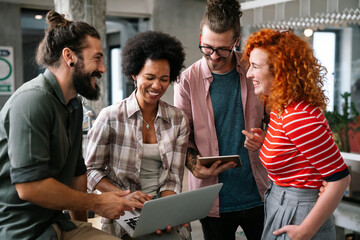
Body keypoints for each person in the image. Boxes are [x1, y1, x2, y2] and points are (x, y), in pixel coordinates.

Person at [0, 10, 143, 240]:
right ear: (69, 56)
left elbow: (78, 176)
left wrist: (81, 228)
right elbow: (30, 187)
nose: (103, 68)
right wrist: (97, 203)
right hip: (22, 233)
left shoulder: (74, 106)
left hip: (58, 225)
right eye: (97, 57)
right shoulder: (32, 101)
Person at [243, 29, 351, 240]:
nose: (249, 74)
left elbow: (340, 180)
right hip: (281, 202)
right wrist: (267, 143)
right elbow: (299, 155)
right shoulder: (280, 107)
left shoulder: (298, 116)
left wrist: (305, 231)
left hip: (299, 214)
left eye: (255, 67)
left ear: (279, 70)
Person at [174, 0, 268, 239]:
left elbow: (276, 120)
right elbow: (182, 139)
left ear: (236, 41)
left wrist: (265, 138)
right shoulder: (186, 80)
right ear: (200, 38)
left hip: (259, 193)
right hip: (212, 199)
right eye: (206, 47)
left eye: (222, 49)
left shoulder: (252, 70)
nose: (213, 56)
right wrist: (195, 167)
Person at [85, 31, 190, 239]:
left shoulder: (178, 120)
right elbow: (90, 171)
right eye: (149, 77)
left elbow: (173, 179)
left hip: (162, 208)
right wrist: (125, 197)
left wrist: (164, 212)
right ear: (134, 74)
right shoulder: (110, 117)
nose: (157, 86)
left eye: (164, 79)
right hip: (121, 211)